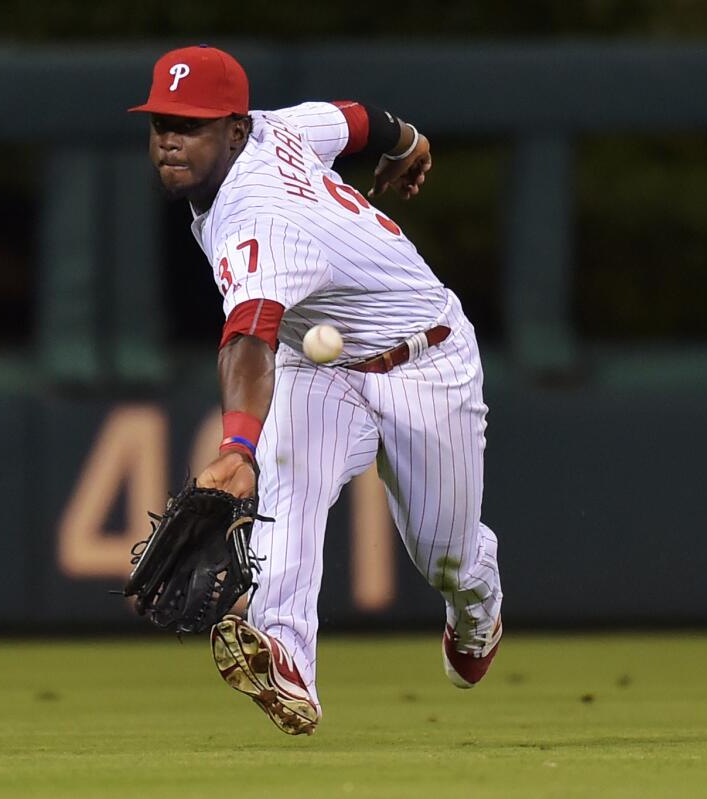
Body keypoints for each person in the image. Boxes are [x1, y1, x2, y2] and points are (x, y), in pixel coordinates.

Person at [128, 45, 503, 736]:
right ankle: (285, 656)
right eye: (161, 125)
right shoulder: (282, 126)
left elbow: (247, 338)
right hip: (317, 364)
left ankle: (478, 605)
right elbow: (356, 120)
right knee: (290, 483)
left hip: (427, 360)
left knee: (444, 550)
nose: (170, 142)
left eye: (192, 125)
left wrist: (235, 443)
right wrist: (410, 140)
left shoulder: (255, 216)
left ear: (235, 130)